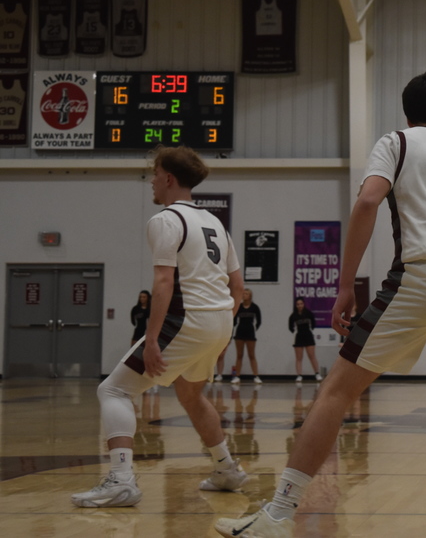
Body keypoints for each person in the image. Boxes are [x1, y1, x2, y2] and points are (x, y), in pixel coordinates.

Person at [215, 70, 426, 538]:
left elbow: (369, 201)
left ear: (407, 115)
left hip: (423, 274)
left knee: (336, 391)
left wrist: (345, 284)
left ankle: (279, 515)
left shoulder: (397, 142)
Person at [72, 145, 247, 508]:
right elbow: (238, 286)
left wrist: (150, 339)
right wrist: (221, 330)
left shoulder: (166, 220)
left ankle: (121, 480)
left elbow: (164, 283)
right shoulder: (216, 222)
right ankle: (227, 469)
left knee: (114, 391)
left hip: (187, 319)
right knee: (191, 395)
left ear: (168, 178)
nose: (151, 181)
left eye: (154, 174)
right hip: (217, 320)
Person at [231, 289, 262, 384]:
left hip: (250, 333)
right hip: (240, 332)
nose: (244, 295)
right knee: (239, 355)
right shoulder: (239, 307)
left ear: (250, 296)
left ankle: (256, 376)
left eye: (246, 294)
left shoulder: (255, 307)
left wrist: (254, 328)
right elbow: (234, 320)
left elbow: (259, 320)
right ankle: (237, 376)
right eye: (243, 293)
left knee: (251, 355)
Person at [288, 297, 321, 382]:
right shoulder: (293, 316)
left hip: (308, 336)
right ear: (296, 305)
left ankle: (317, 373)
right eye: (298, 304)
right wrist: (292, 330)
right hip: (299, 336)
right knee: (299, 358)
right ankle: (299, 375)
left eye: (301, 304)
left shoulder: (309, 313)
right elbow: (290, 327)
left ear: (304, 304)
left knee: (312, 356)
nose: (299, 306)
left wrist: (312, 328)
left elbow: (313, 323)